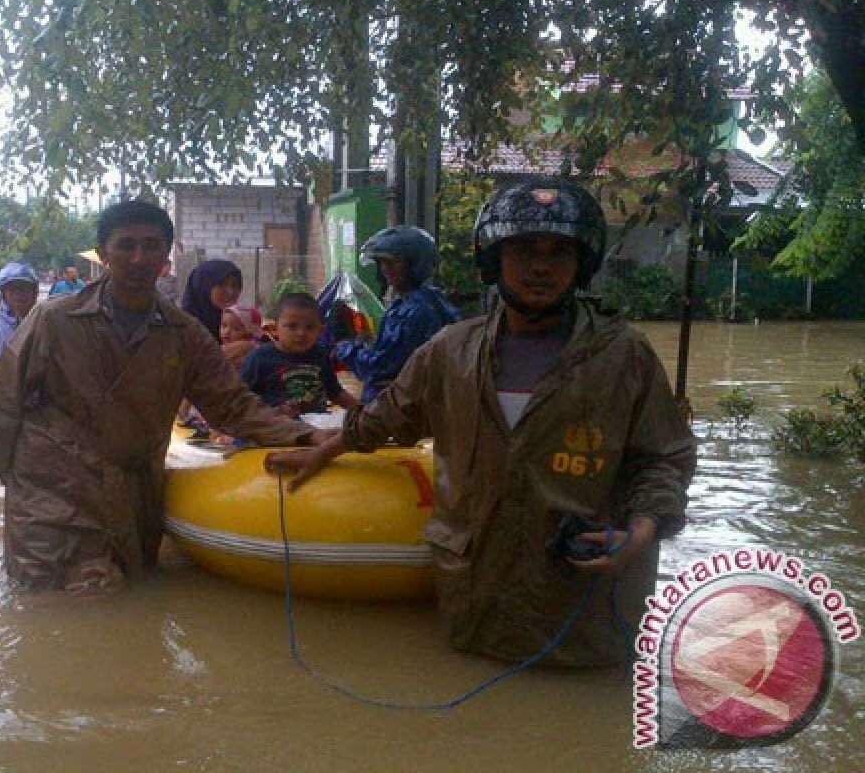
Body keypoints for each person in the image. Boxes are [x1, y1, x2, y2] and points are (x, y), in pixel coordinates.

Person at [265, 180, 697, 667]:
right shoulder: (450, 351)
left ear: (581, 264)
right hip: (476, 614)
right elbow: (386, 417)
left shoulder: (624, 355)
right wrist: (323, 449)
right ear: (494, 259)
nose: (541, 266)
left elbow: (665, 457)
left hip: (586, 617)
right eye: (524, 250)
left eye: (559, 252)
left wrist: (642, 530)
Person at [0, 201, 327, 593]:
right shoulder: (53, 321)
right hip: (52, 498)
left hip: (130, 499)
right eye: (126, 246)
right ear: (105, 253)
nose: (139, 258)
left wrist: (306, 436)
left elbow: (233, 405)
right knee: (50, 613)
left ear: (166, 256)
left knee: (126, 605)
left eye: (151, 246)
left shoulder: (184, 333)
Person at [335, 226, 461, 403]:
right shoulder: (433, 299)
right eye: (382, 262)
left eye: (394, 262)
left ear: (415, 263)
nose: (385, 269)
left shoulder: (411, 311)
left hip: (401, 411)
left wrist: (343, 348)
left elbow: (378, 366)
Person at [242, 292, 359, 418]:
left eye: (310, 327)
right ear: (274, 328)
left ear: (320, 330)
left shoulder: (320, 355)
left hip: (317, 428)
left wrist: (362, 412)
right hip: (276, 430)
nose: (301, 333)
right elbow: (241, 398)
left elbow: (336, 393)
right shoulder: (260, 358)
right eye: (292, 326)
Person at [181, 259, 242, 340]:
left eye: (235, 285)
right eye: (221, 285)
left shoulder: (242, 323)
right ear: (204, 288)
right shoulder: (181, 328)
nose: (230, 292)